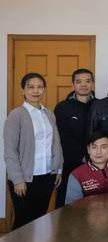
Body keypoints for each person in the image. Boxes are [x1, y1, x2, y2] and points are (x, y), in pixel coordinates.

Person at [3, 73, 63, 229]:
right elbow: (10, 151)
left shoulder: (49, 114)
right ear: (23, 90)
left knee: (40, 220)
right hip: (25, 179)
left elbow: (56, 143)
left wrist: (58, 170)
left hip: (47, 176)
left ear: (44, 90)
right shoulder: (16, 115)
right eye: (31, 87)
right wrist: (18, 180)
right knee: (23, 222)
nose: (35, 91)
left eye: (40, 87)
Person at [54, 68, 95, 208]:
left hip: (95, 161)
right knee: (66, 205)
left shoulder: (100, 105)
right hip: (69, 164)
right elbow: (61, 137)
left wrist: (91, 157)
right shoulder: (62, 107)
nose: (84, 85)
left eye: (88, 81)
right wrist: (81, 156)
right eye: (79, 81)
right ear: (73, 85)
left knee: (93, 205)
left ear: (92, 84)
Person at [65, 131, 108, 204]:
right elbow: (72, 207)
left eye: (103, 147)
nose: (98, 152)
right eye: (94, 147)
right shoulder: (77, 175)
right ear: (88, 150)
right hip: (90, 210)